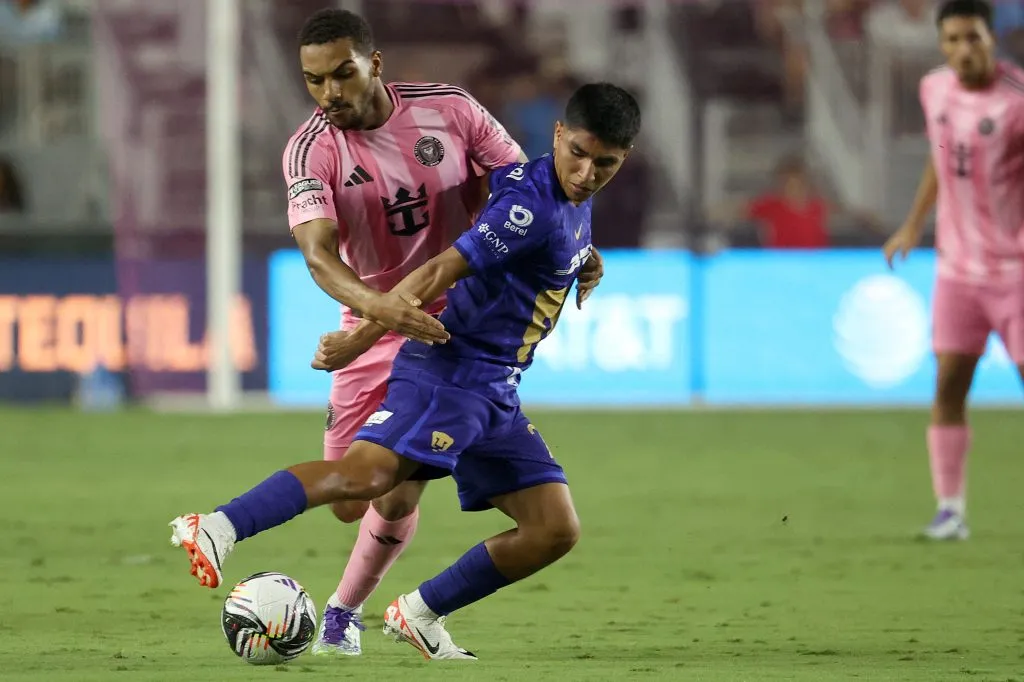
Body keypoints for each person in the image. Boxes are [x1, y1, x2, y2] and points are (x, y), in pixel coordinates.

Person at [170, 81, 640, 660]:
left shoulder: (568, 197)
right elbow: (439, 271)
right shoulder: (530, 207)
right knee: (365, 481)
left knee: (553, 529)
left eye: (606, 164)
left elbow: (553, 247)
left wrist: (582, 263)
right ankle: (217, 526)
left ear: (624, 158)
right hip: (452, 372)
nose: (589, 172)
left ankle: (417, 612)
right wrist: (361, 338)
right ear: (559, 135)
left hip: (495, 389)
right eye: (580, 154)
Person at [269, 8, 607, 658]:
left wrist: (575, 248)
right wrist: (377, 316)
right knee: (352, 496)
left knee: (397, 493)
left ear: (375, 63)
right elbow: (317, 256)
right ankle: (368, 606)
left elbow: (530, 187)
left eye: (342, 73)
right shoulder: (309, 150)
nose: (330, 93)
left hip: (461, 318)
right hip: (375, 312)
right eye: (315, 81)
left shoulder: (449, 110)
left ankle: (345, 611)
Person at [884, 0, 1024, 541]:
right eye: (953, 40)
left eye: (974, 38)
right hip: (958, 272)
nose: (964, 50)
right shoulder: (934, 88)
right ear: (941, 44)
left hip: (1015, 272)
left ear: (994, 38)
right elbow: (943, 159)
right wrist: (913, 224)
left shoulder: (1016, 102)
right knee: (948, 388)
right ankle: (950, 511)